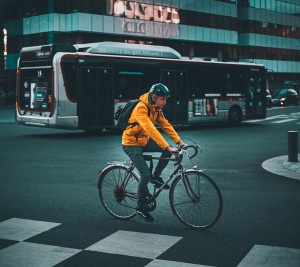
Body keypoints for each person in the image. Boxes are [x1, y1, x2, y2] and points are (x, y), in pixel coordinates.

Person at [122, 83, 187, 222]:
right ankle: (140, 207)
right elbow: (151, 129)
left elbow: (165, 125)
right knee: (145, 175)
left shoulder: (155, 108)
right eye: (163, 99)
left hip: (143, 141)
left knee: (166, 150)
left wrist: (179, 142)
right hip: (131, 143)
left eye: (165, 99)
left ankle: (155, 177)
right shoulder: (141, 108)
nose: (165, 102)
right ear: (154, 96)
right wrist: (168, 146)